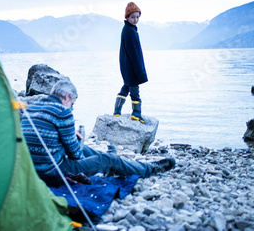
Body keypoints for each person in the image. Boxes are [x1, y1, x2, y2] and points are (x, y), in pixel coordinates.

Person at [21, 80, 175, 186]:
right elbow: (76, 155)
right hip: (51, 172)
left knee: (86, 149)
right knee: (106, 159)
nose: (71, 109)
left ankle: (115, 158)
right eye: (72, 104)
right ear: (68, 96)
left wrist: (66, 136)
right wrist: (74, 141)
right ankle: (149, 169)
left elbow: (44, 139)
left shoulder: (31, 108)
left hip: (32, 170)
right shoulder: (62, 112)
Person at [113, 2, 148, 123]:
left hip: (126, 65)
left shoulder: (127, 29)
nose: (135, 19)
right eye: (133, 17)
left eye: (137, 17)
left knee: (126, 87)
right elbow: (135, 53)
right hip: (131, 66)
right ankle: (136, 113)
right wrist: (140, 71)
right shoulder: (130, 31)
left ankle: (117, 111)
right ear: (127, 17)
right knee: (134, 90)